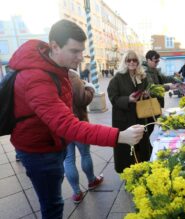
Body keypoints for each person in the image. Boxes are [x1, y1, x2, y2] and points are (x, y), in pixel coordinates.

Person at [9, 19, 144, 219]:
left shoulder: (55, 67)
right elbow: (67, 124)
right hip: (39, 151)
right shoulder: (36, 78)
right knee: (52, 205)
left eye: (82, 51)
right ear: (54, 46)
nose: (81, 57)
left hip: (53, 142)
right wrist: (120, 136)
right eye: (74, 51)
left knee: (55, 195)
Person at [107, 50, 153, 173]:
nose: (132, 62)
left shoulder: (142, 76)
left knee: (141, 143)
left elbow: (146, 92)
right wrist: (128, 99)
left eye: (134, 60)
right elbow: (113, 97)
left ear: (138, 62)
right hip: (124, 118)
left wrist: (146, 94)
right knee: (127, 147)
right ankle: (128, 172)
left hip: (139, 115)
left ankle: (142, 168)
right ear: (125, 62)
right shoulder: (117, 78)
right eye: (129, 60)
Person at [64, 69, 103, 204]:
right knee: (85, 154)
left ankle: (76, 192)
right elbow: (82, 99)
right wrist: (90, 89)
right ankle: (92, 181)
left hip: (62, 126)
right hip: (79, 123)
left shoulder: (49, 75)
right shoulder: (72, 75)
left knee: (68, 159)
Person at [143, 50, 179, 136]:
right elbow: (152, 88)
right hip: (149, 104)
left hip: (156, 103)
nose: (157, 63)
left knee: (156, 126)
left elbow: (164, 78)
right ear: (148, 60)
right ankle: (151, 147)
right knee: (152, 128)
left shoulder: (154, 70)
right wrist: (169, 87)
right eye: (155, 61)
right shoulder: (145, 72)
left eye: (158, 61)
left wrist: (175, 78)